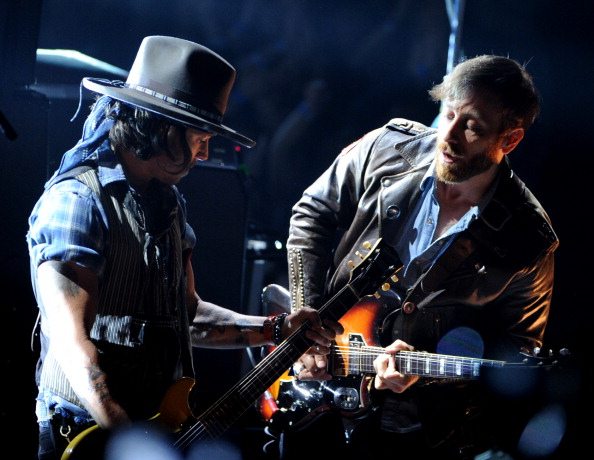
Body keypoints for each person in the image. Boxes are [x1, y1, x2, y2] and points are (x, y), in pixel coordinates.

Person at [27, 35, 340, 460]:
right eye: (199, 136)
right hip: (88, 438)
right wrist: (131, 443)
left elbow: (187, 317)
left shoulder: (167, 202)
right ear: (158, 124)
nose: (205, 152)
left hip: (153, 430)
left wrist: (276, 329)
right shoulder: (78, 202)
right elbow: (72, 346)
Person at [278, 55, 559, 459]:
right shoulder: (387, 147)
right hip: (320, 397)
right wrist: (306, 317)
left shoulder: (530, 239)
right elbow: (312, 213)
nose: (449, 135)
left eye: (473, 127)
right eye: (447, 114)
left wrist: (426, 375)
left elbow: (517, 351)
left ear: (510, 140)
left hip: (421, 433)